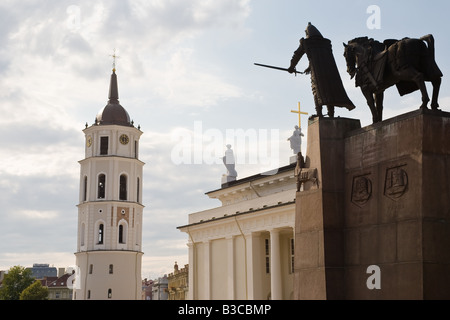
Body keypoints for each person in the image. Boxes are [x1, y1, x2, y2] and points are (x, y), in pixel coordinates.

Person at [288, 22, 355, 118]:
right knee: (329, 89)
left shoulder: (306, 42)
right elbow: (319, 57)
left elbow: (297, 55)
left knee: (316, 89)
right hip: (330, 71)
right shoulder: (326, 43)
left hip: (317, 73)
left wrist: (291, 67)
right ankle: (331, 114)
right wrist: (309, 67)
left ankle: (319, 114)